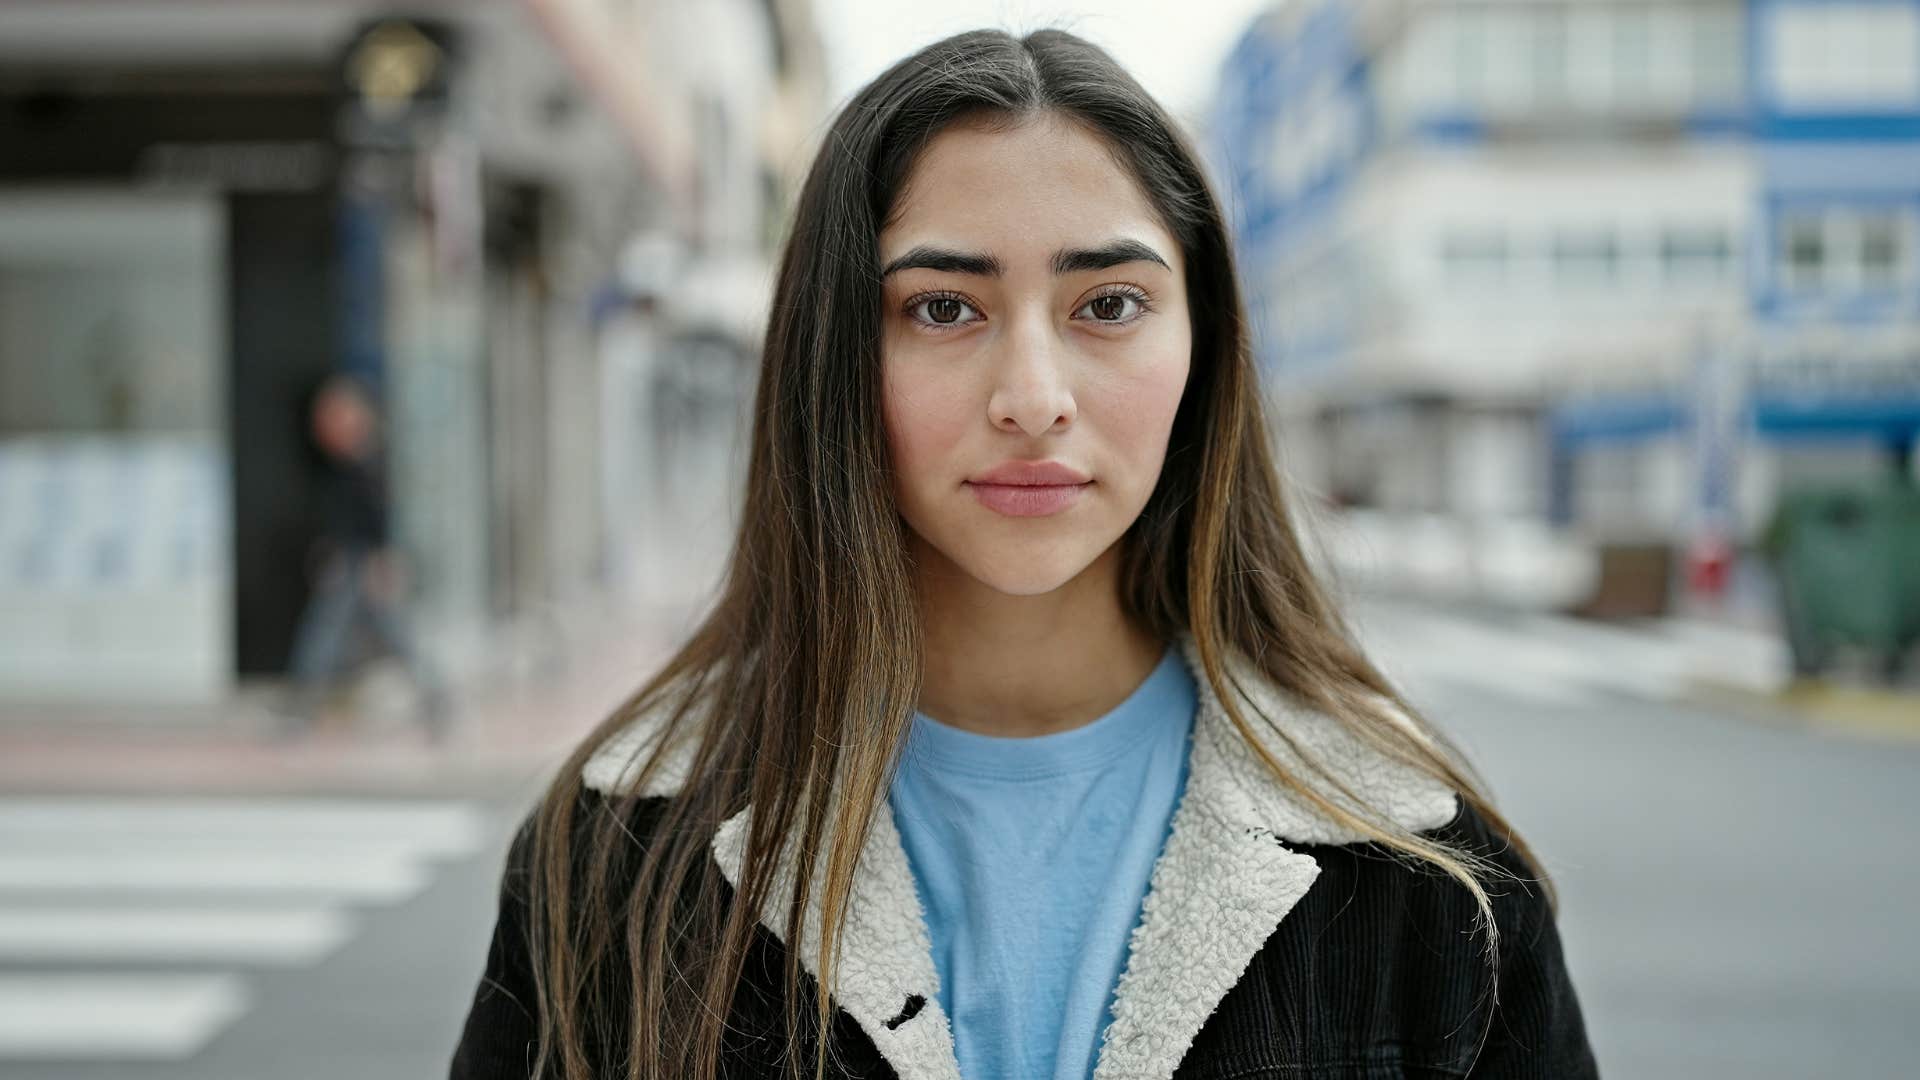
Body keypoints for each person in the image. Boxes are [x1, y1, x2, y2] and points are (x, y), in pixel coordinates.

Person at [449, 27, 1598, 1080]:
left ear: (1204, 346)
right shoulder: (615, 853)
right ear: (835, 354)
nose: (1034, 398)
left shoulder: (1421, 867)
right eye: (944, 308)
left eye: (1108, 304)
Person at [279, 372, 452, 742]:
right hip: (348, 564)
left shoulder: (367, 463)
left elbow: (378, 520)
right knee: (337, 639)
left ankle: (438, 702)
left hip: (360, 566)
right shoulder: (338, 463)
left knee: (358, 637)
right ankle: (303, 710)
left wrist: (380, 563)